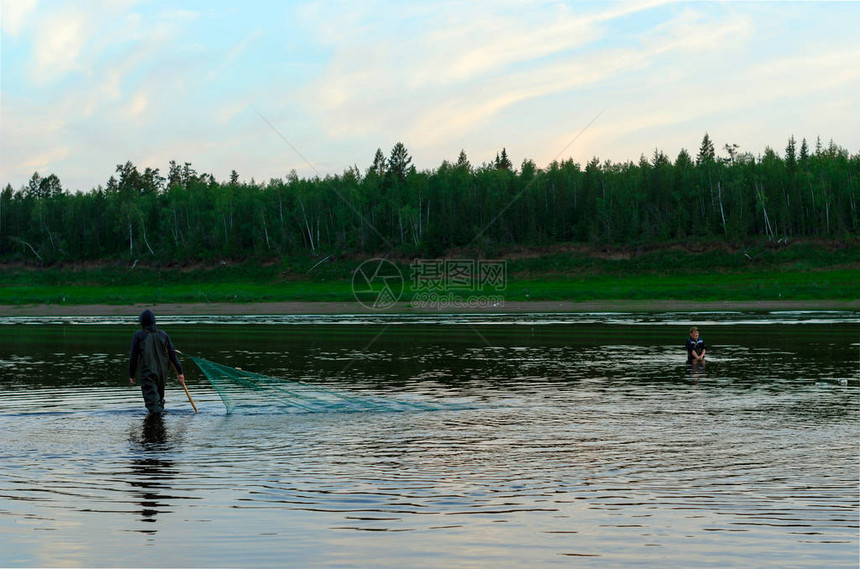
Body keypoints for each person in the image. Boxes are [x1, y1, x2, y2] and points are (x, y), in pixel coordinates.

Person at [129, 309, 185, 414]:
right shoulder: (163, 335)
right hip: (162, 374)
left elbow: (134, 357)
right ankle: (160, 425)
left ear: (142, 322)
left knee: (153, 403)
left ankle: (157, 424)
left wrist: (132, 374)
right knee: (159, 400)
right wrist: (180, 372)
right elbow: (172, 355)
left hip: (148, 373)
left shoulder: (139, 336)